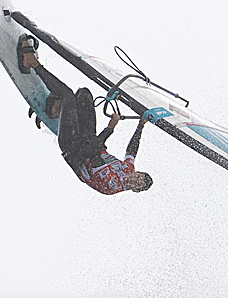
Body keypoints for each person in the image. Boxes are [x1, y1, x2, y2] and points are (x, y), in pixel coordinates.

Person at [17, 34, 154, 195]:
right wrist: (141, 125)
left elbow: (91, 151)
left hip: (72, 147)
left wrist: (110, 128)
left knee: (68, 96)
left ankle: (32, 63)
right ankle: (56, 109)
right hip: (87, 137)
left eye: (137, 184)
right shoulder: (127, 169)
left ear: (134, 190)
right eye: (138, 176)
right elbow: (132, 151)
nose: (135, 179)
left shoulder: (111, 186)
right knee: (84, 95)